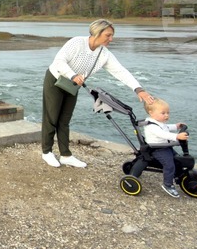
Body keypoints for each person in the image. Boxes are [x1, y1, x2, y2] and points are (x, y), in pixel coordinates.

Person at [42, 19, 154, 168]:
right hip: (56, 80)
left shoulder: (104, 54)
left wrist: (138, 89)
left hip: (73, 85)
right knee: (52, 116)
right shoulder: (77, 42)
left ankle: (65, 155)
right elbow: (59, 61)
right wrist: (73, 75)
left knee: (64, 119)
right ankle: (47, 152)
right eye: (108, 35)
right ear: (96, 32)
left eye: (112, 35)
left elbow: (120, 71)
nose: (111, 39)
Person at [142, 97, 188, 198]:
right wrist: (176, 136)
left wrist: (176, 126)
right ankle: (168, 185)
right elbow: (162, 134)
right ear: (151, 113)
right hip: (157, 149)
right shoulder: (151, 126)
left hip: (165, 146)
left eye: (168, 113)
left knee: (177, 159)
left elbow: (166, 127)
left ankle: (177, 175)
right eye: (163, 113)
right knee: (169, 165)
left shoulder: (159, 122)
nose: (166, 115)